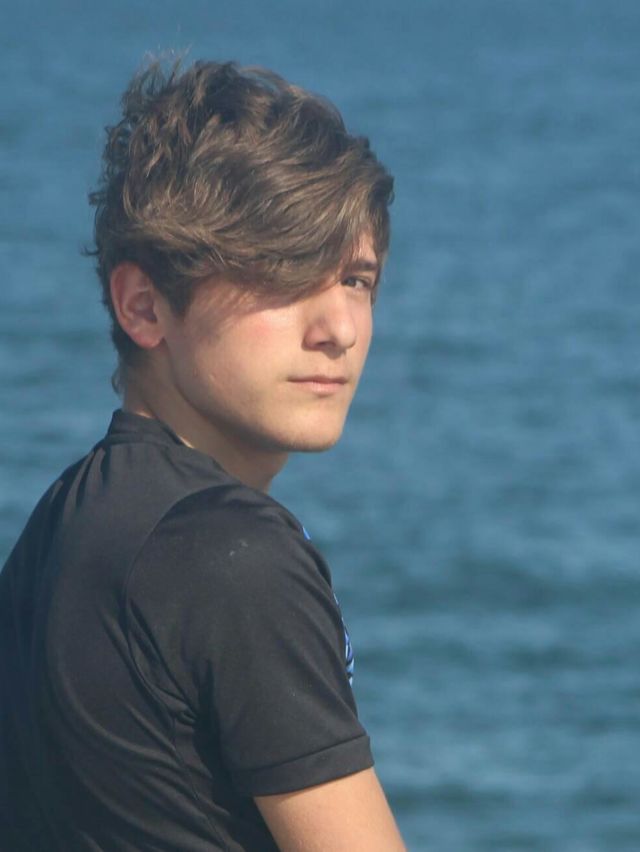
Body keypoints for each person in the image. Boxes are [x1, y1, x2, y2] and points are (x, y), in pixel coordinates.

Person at [0, 59, 404, 851]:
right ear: (144, 305)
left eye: (357, 279)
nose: (339, 329)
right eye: (284, 273)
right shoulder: (233, 556)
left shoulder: (60, 527)